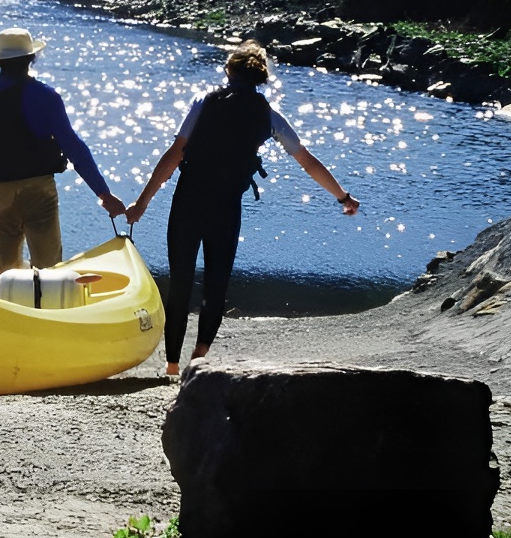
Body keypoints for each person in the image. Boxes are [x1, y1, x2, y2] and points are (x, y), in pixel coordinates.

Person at [125, 40, 360, 376]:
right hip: (226, 206)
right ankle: (199, 358)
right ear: (260, 77)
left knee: (180, 282)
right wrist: (342, 196)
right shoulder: (268, 115)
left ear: (229, 71)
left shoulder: (205, 102)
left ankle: (172, 365)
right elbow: (307, 161)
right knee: (216, 285)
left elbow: (175, 154)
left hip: (189, 200)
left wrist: (142, 202)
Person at [0, 27, 126, 274]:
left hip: (0, 193)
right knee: (49, 269)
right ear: (31, 59)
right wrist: (103, 193)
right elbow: (74, 147)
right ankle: (48, 307)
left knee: (8, 271)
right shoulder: (46, 97)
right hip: (39, 192)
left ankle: (11, 306)